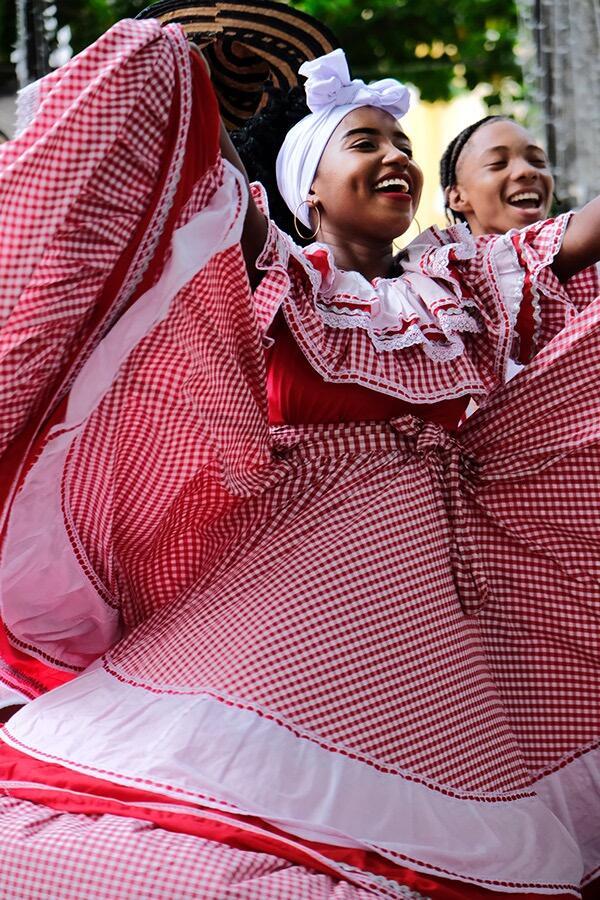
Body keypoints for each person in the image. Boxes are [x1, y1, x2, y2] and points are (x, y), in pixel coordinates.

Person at [0, 17, 599, 899]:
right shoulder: (280, 272)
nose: (395, 156)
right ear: (309, 188)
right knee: (238, 808)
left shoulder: (462, 280)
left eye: (402, 144)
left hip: (426, 603)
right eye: (365, 143)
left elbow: (581, 234)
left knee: (423, 829)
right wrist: (179, 66)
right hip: (290, 583)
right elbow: (196, 178)